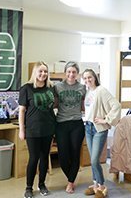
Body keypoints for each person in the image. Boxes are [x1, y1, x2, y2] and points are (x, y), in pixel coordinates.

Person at [19, 61, 56, 198]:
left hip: (48, 128)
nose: (43, 74)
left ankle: (42, 184)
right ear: (35, 72)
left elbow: (54, 107)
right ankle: (29, 187)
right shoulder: (26, 88)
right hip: (33, 130)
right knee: (34, 158)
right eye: (40, 71)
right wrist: (21, 130)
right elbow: (22, 111)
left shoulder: (51, 88)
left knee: (44, 157)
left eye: (45, 71)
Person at [82, 69, 121, 198]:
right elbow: (89, 109)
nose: (87, 80)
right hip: (88, 127)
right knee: (93, 159)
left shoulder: (101, 91)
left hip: (99, 128)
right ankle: (95, 185)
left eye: (90, 77)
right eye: (85, 78)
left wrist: (106, 120)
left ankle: (102, 186)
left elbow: (116, 105)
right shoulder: (88, 92)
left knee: (94, 160)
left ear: (95, 77)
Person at [54, 61, 86, 193]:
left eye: (74, 72)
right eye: (69, 72)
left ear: (77, 74)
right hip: (61, 124)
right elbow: (54, 104)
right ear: (65, 72)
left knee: (75, 153)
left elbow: (84, 105)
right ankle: (71, 177)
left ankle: (70, 182)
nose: (71, 74)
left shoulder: (82, 87)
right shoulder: (57, 87)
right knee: (63, 156)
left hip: (77, 124)